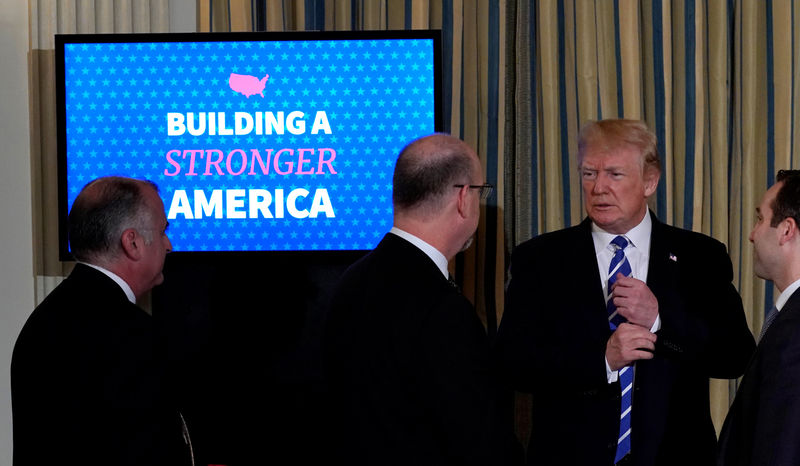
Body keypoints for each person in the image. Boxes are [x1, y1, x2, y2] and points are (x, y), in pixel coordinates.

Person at [495, 119, 755, 465]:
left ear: (650, 181)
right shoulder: (540, 259)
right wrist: (602, 361)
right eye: (589, 174)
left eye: (614, 175)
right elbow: (511, 364)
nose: (598, 187)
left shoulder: (701, 257)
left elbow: (735, 356)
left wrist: (660, 321)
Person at [325, 134, 520, 465]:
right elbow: (480, 443)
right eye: (479, 191)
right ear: (463, 198)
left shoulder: (350, 281)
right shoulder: (443, 308)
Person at [11, 176, 190, 466]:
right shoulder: (134, 337)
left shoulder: (42, 322)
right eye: (162, 231)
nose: (168, 245)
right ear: (132, 242)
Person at [717, 169, 800, 465]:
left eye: (760, 219)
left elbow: (782, 446)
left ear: (787, 230)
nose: (752, 235)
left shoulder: (794, 332)